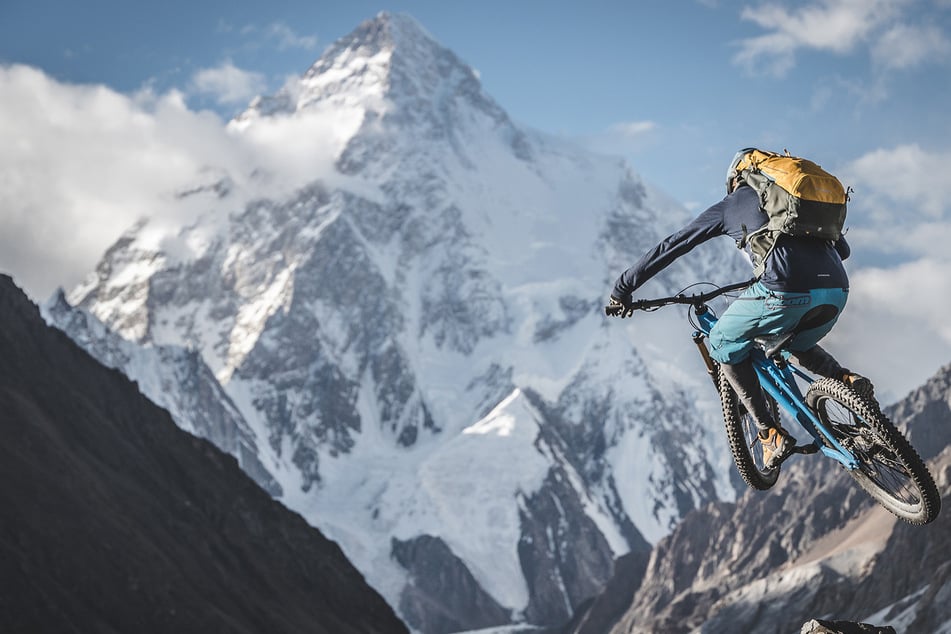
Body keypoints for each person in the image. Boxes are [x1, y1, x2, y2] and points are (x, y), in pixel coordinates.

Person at [606, 148, 872, 470]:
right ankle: (845, 378)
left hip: (785, 289)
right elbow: (842, 250)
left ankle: (768, 433)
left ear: (736, 179)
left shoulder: (733, 204)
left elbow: (674, 245)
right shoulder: (793, 207)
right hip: (837, 290)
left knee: (720, 341)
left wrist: (623, 289)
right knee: (794, 339)